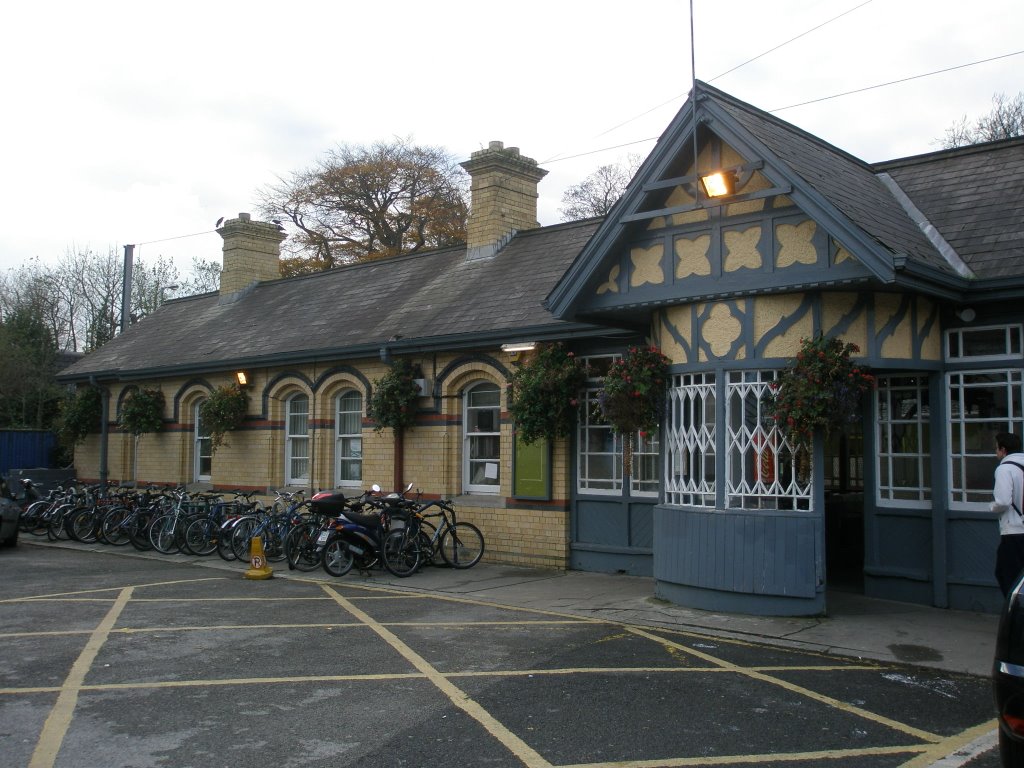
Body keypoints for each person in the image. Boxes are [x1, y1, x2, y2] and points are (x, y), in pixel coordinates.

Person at [992, 431, 1024, 596]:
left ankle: (1017, 616)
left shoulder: (1005, 469)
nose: (996, 451)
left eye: (996, 448)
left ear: (1003, 449)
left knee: (1007, 575)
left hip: (1014, 530)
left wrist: (992, 507)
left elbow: (1003, 501)